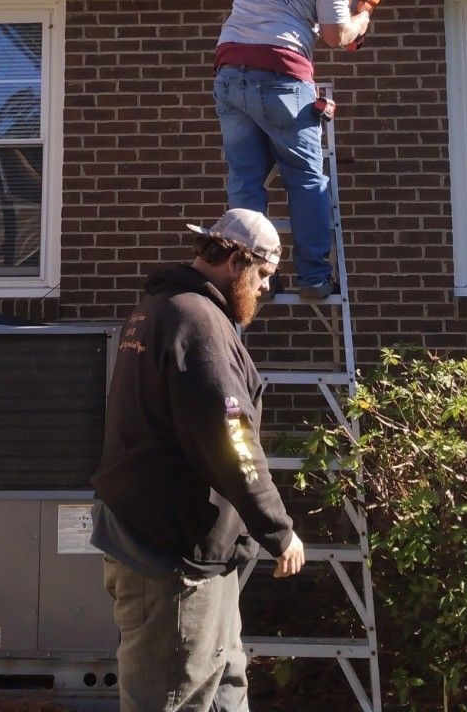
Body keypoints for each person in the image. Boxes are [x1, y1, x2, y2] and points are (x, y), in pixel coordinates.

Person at [90, 209, 307, 712]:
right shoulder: (198, 321)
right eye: (264, 275)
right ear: (236, 261)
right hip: (171, 558)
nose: (267, 289)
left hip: (180, 548)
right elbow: (230, 440)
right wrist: (278, 529)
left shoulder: (160, 308)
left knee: (224, 690)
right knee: (174, 697)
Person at [214, 0, 371, 301]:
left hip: (229, 70)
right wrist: (363, 15)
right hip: (282, 76)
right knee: (306, 181)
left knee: (245, 182)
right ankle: (314, 279)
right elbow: (338, 38)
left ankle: (248, 278)